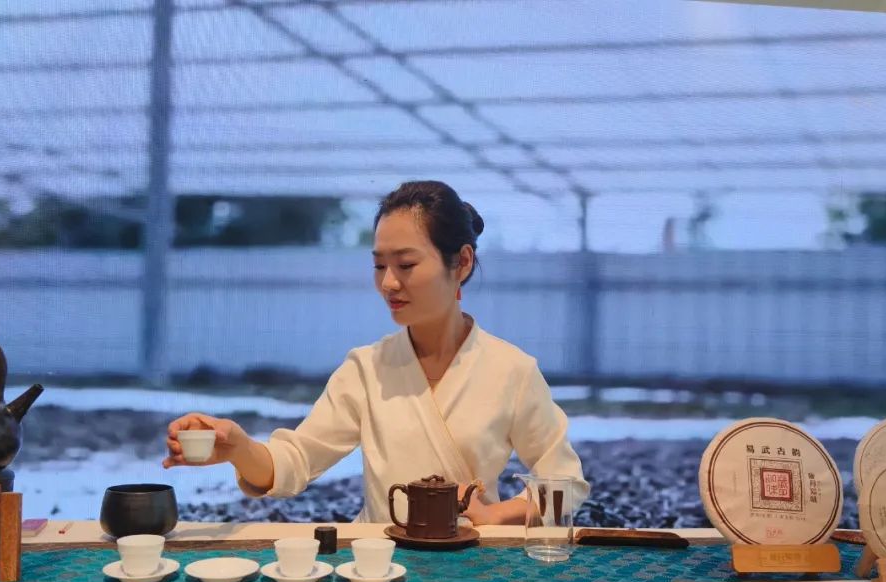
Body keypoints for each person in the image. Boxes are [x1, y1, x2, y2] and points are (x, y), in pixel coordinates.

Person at [163, 180, 590, 525]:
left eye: (406, 265)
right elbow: (295, 461)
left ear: (461, 263)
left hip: (472, 561)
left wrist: (497, 515)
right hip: (378, 564)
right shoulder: (366, 369)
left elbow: (566, 483)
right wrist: (238, 448)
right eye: (379, 265)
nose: (388, 283)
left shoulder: (511, 370)